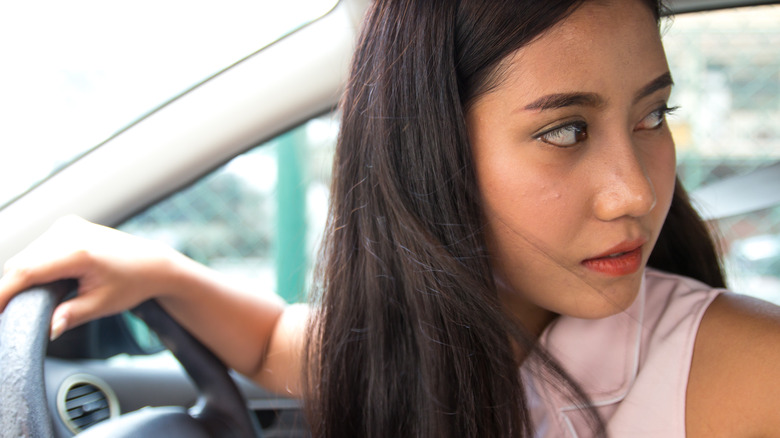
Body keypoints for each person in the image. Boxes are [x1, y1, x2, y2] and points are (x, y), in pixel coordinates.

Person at [1, 0, 779, 436]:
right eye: (566, 130)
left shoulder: (752, 369)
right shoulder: (422, 348)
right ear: (432, 151)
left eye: (652, 115)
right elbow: (279, 343)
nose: (636, 193)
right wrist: (159, 273)